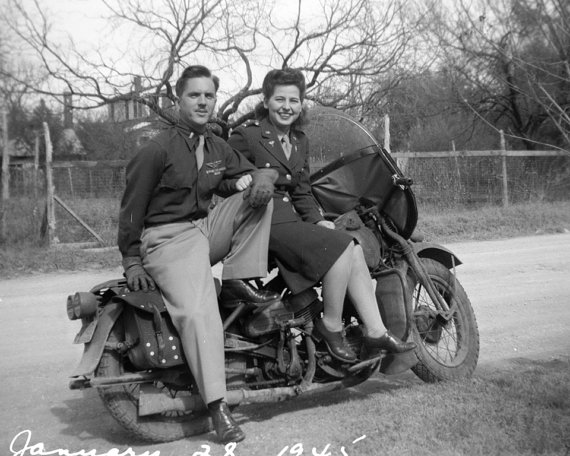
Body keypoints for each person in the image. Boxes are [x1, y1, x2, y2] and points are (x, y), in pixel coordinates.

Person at [117, 65, 280, 444]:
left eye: (209, 95)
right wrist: (132, 258)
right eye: (195, 94)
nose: (203, 101)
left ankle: (238, 278)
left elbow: (258, 172)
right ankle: (217, 407)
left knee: (262, 199)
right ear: (178, 99)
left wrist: (256, 180)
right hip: (169, 239)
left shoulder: (216, 144)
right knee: (198, 309)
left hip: (204, 227)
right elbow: (131, 211)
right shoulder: (156, 150)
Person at [227, 68, 416, 363]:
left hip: (292, 221)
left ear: (302, 104)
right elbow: (228, 177)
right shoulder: (247, 136)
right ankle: (331, 326)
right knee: (344, 247)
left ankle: (376, 329)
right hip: (263, 221)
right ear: (265, 101)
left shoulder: (300, 141)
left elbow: (302, 190)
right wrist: (243, 183)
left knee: (350, 247)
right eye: (279, 99)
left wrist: (318, 220)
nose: (286, 106)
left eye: (294, 100)